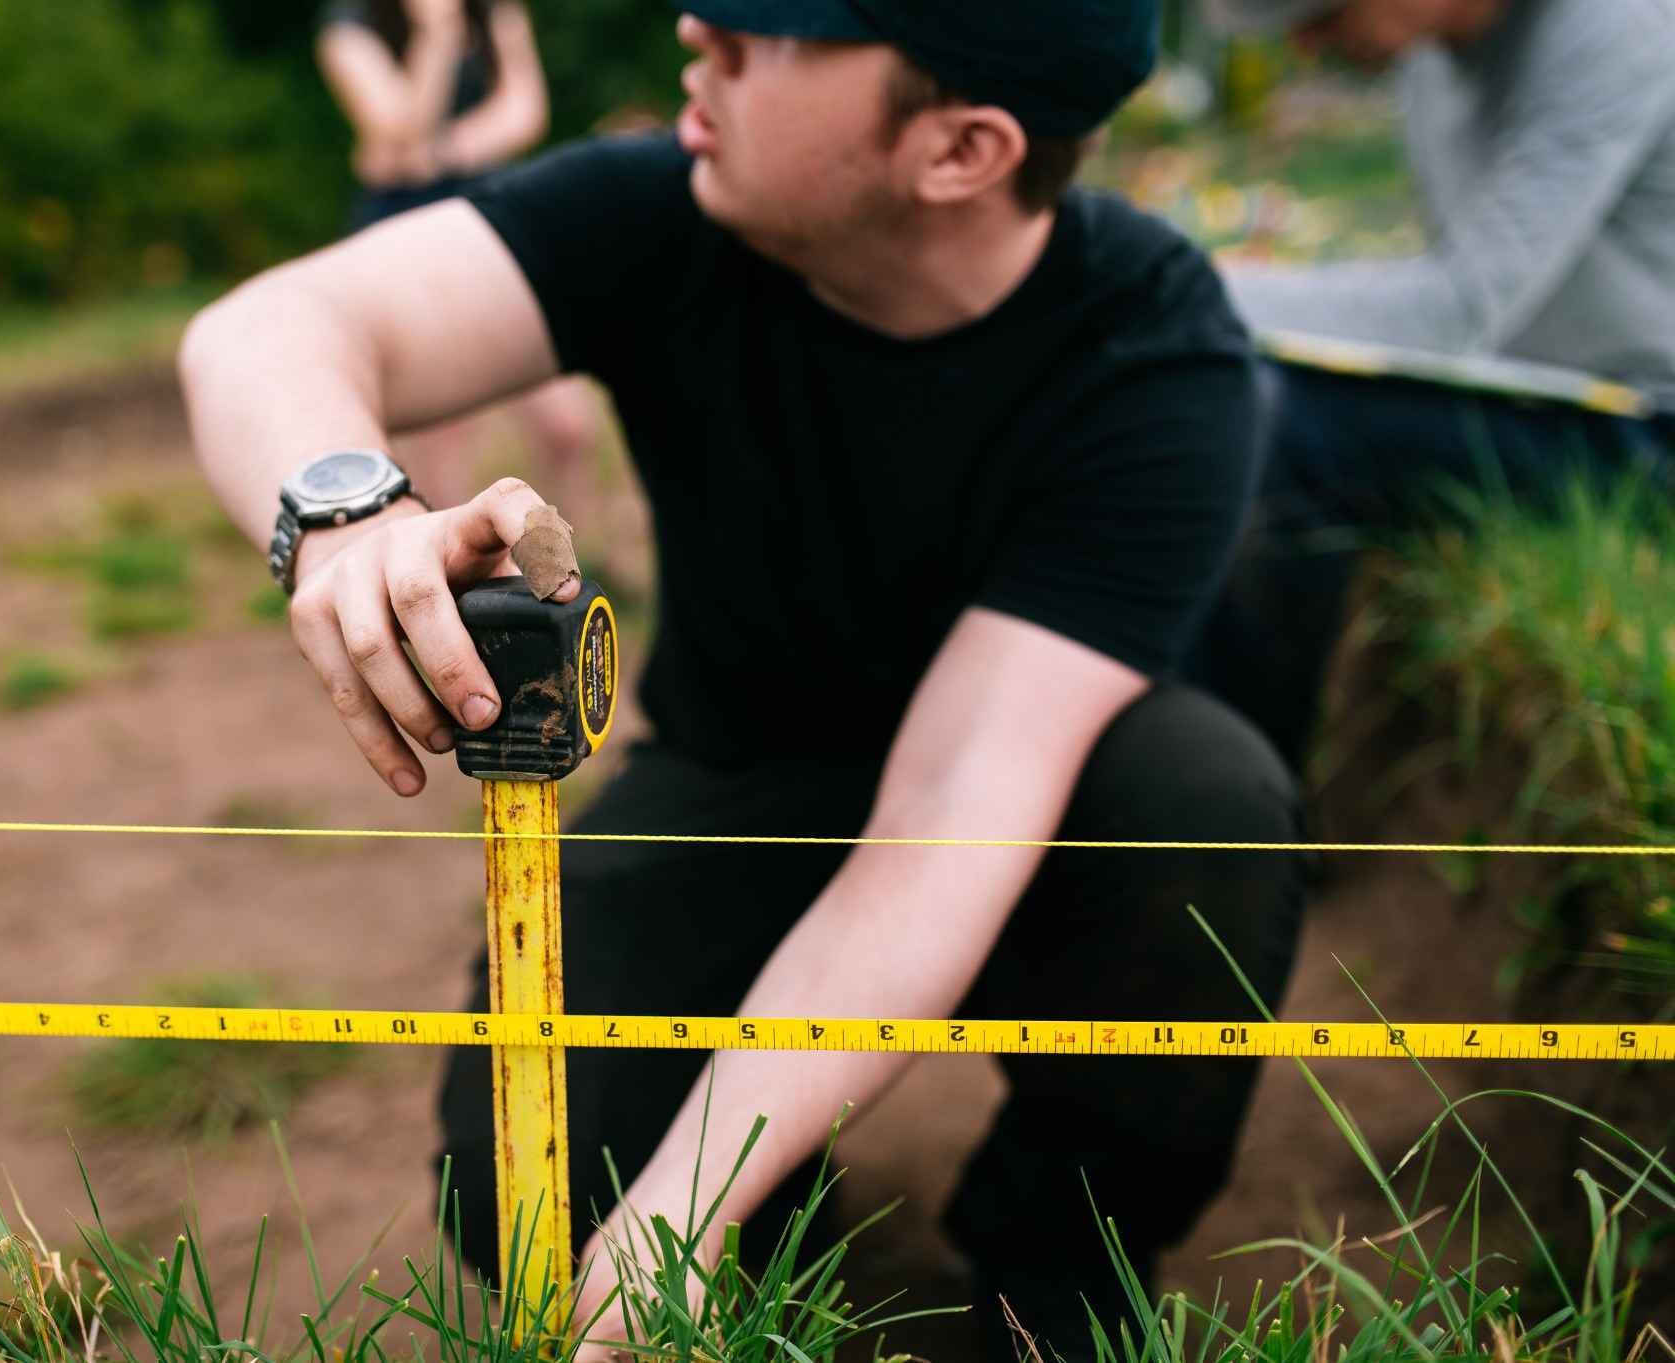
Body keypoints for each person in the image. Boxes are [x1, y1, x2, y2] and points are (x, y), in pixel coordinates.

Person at [182, 1, 1312, 1349]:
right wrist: (345, 508)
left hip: (1030, 814)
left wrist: (684, 1209)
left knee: (1208, 802)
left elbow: (944, 818)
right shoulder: (669, 206)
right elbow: (266, 326)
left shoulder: (1157, 358)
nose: (698, 31)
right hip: (731, 774)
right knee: (528, 1194)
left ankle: (1055, 1269)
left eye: (775, 32)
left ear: (960, 148)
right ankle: (781, 1235)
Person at [1192, 0, 1675, 770]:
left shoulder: (1612, 25)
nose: (1307, 45)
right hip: (1540, 389)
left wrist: (1179, 289)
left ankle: (1231, 804)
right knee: (1218, 382)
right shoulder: (1431, 59)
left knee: (1277, 415)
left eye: (1323, 13)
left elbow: (1457, 309)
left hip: (1648, 426)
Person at [316, 0, 601, 521]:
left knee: (567, 423)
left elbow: (524, 111)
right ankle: (458, 582)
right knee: (445, 433)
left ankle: (584, 566)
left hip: (493, 214)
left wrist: (438, 155)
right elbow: (397, 126)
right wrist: (437, 36)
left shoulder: (495, 10)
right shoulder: (349, 25)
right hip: (404, 232)